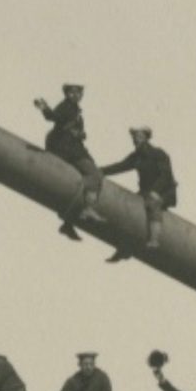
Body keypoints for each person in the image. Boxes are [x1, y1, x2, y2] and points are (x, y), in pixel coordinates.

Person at [99, 125, 179, 260]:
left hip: (165, 192)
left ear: (146, 139)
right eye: (134, 137)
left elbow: (165, 176)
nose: (135, 140)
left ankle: (154, 239)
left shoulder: (159, 154)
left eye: (138, 137)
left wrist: (156, 191)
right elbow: (120, 166)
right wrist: (100, 171)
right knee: (131, 211)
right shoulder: (137, 157)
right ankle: (124, 248)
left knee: (153, 204)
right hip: (146, 191)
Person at [33, 84, 102, 238]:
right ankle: (89, 209)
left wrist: (80, 134)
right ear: (69, 94)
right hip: (68, 150)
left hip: (70, 147)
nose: (78, 95)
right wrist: (44, 108)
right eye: (75, 92)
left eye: (80, 92)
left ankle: (68, 224)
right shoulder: (67, 107)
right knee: (94, 175)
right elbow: (53, 117)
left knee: (80, 185)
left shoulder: (74, 110)